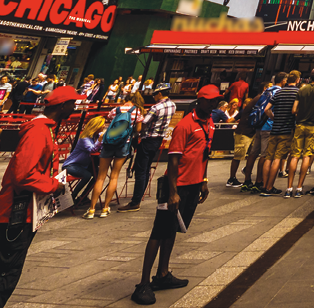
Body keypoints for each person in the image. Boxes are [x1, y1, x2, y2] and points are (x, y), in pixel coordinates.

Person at [0, 85, 80, 308]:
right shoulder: (38, 131)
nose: (75, 107)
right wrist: (54, 185)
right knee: (4, 273)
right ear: (63, 106)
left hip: (24, 211)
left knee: (0, 269)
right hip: (16, 212)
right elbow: (23, 174)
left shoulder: (46, 128)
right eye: (73, 104)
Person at [131, 84, 220, 306]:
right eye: (210, 100)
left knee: (173, 230)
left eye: (216, 101)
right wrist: (172, 193)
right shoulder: (185, 125)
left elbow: (204, 154)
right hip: (175, 186)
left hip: (193, 185)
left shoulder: (209, 124)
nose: (213, 104)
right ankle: (143, 283)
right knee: (159, 232)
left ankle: (162, 274)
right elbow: (173, 159)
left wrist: (204, 181)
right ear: (199, 100)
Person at [118, 84, 176, 213]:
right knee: (146, 168)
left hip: (148, 139)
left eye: (155, 94)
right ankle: (139, 197)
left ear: (160, 94)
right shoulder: (172, 105)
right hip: (158, 140)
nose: (154, 97)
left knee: (141, 170)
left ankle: (135, 201)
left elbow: (144, 124)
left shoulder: (155, 108)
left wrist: (136, 131)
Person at [83, 97, 142, 219]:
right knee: (114, 176)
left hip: (109, 143)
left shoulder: (116, 109)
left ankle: (92, 209)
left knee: (101, 177)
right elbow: (139, 129)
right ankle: (105, 208)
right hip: (123, 144)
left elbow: (110, 121)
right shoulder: (136, 111)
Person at [285, 67, 314, 198]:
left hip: (300, 125)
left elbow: (293, 110)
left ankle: (288, 187)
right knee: (307, 156)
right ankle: (299, 187)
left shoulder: (302, 89)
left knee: (295, 155)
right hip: (313, 125)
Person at [261, 70, 301, 196]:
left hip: (274, 129)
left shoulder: (278, 92)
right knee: (278, 159)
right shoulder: (297, 93)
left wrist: (273, 118)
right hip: (286, 129)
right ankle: (269, 187)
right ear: (298, 80)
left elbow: (266, 109)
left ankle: (264, 185)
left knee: (269, 158)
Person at [241, 75, 284, 193]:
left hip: (259, 125)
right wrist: (274, 119)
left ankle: (247, 180)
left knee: (253, 153)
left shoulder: (266, 91)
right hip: (268, 126)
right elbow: (268, 109)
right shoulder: (279, 92)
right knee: (265, 155)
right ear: (283, 81)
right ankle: (259, 181)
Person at [226, 90, 261, 189]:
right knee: (238, 156)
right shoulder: (246, 110)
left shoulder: (250, 109)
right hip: (243, 133)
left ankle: (246, 171)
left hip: (250, 133)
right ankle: (231, 178)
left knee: (252, 154)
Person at [62, 115, 105, 183]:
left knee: (98, 175)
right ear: (97, 126)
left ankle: (84, 194)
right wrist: (99, 140)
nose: (104, 126)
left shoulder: (97, 136)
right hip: (71, 165)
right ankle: (74, 194)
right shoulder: (84, 139)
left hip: (84, 165)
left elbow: (102, 147)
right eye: (102, 124)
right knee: (87, 175)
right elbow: (92, 150)